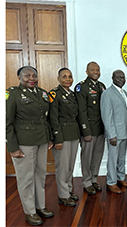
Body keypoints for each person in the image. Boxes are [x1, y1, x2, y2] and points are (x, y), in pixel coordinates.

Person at [6, 66, 54, 225]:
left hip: (41, 140)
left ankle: (40, 206)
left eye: (34, 75)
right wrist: (13, 148)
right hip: (24, 142)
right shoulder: (12, 94)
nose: (31, 78)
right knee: (26, 178)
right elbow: (7, 123)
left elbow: (45, 118)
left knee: (40, 174)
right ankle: (29, 211)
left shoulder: (42, 93)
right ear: (19, 77)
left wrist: (49, 138)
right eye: (27, 76)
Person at [48, 68, 80, 206]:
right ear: (58, 78)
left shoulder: (72, 95)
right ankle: (63, 195)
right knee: (62, 167)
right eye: (64, 76)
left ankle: (68, 190)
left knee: (70, 166)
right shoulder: (54, 94)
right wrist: (57, 139)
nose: (68, 79)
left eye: (70, 76)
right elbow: (53, 118)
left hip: (73, 134)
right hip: (62, 135)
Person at [75, 61, 106, 195]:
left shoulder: (101, 86)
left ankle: (94, 179)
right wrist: (85, 131)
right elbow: (81, 111)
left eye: (98, 70)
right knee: (86, 157)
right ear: (87, 72)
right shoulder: (81, 87)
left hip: (100, 129)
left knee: (97, 156)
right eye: (93, 70)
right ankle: (86, 181)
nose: (96, 72)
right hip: (88, 130)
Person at [100, 70, 127, 194]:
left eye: (123, 77)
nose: (121, 79)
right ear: (112, 78)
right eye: (118, 77)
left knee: (121, 157)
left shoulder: (124, 92)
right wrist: (111, 134)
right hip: (114, 134)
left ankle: (120, 178)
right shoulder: (107, 94)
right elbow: (106, 116)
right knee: (113, 158)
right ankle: (111, 182)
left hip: (124, 132)